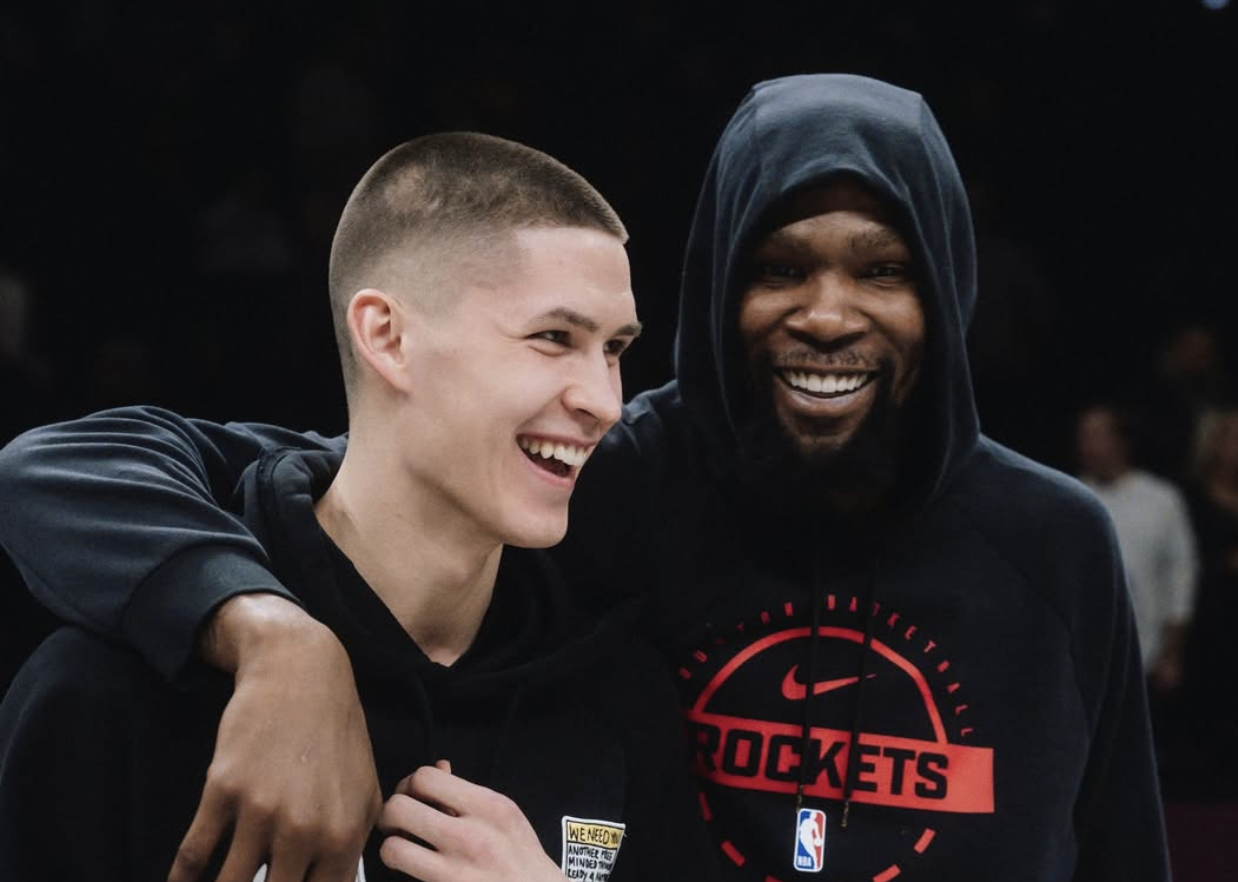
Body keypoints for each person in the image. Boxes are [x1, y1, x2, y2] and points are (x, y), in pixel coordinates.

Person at [0, 74, 1170, 881]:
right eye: (777, 268)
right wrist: (279, 640)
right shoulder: (609, 483)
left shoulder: (1049, 545)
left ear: (948, 285)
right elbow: (106, 466)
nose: (826, 312)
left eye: (882, 269)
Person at [0, 132, 712, 882]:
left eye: (614, 349)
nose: (605, 401)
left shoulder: (619, 695)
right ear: (388, 336)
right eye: (554, 337)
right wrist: (283, 643)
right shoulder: (111, 689)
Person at [1074, 402, 1199, 695]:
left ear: (1122, 441)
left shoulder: (1162, 499)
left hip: (1147, 656)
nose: (1089, 446)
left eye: (1098, 436)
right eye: (1083, 437)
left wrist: (1172, 654)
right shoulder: (1070, 496)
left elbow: (1180, 577)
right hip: (1084, 658)